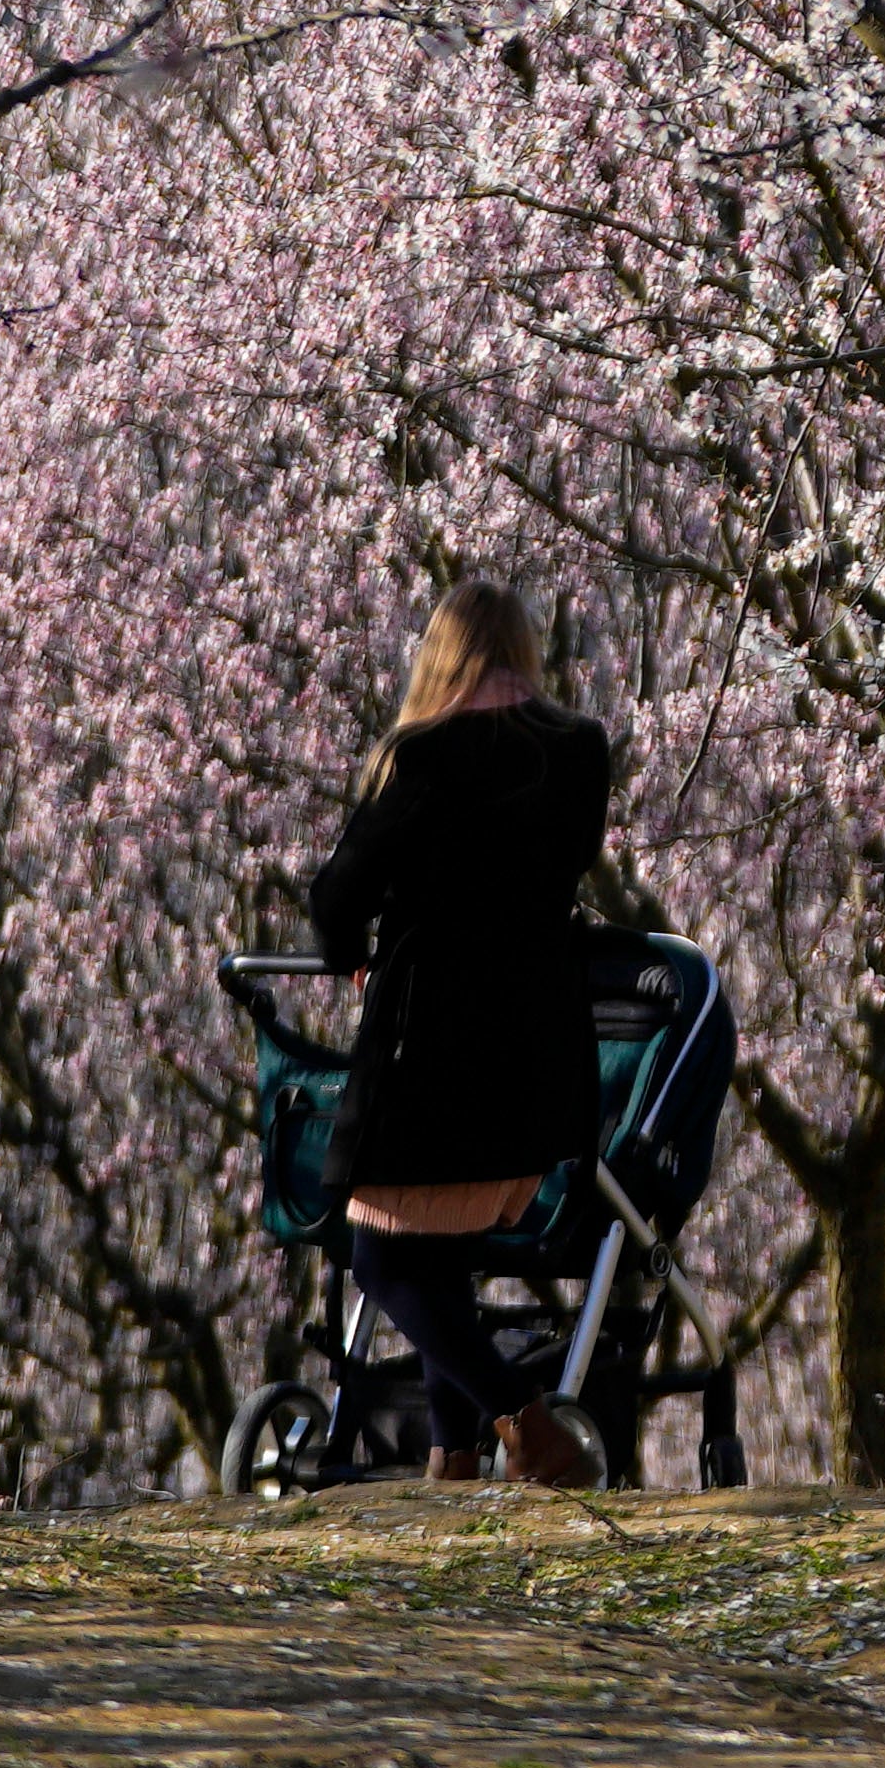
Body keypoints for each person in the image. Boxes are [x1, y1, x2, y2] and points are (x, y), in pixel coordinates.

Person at [309, 577, 622, 1487]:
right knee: (438, 1253)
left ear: (439, 655)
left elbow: (338, 898)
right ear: (524, 650)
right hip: (537, 1051)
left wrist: (355, 954)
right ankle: (452, 1456)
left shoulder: (422, 756)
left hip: (430, 1051)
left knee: (379, 1255)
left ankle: (521, 1421)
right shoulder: (581, 750)